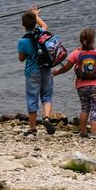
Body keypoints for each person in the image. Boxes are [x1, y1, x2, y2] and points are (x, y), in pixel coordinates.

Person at [53, 28, 96, 137]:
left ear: (81, 40)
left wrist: (57, 72)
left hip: (81, 86)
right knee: (95, 109)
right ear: (93, 40)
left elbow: (66, 68)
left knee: (85, 108)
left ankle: (83, 132)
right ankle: (94, 134)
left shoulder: (76, 53)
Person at [16, 7, 57, 135]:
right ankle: (46, 118)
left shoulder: (22, 41)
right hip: (45, 68)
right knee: (47, 96)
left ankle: (33, 128)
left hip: (32, 71)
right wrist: (36, 15)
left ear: (23, 25)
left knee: (32, 98)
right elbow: (45, 25)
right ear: (35, 23)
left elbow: (21, 59)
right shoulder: (41, 32)